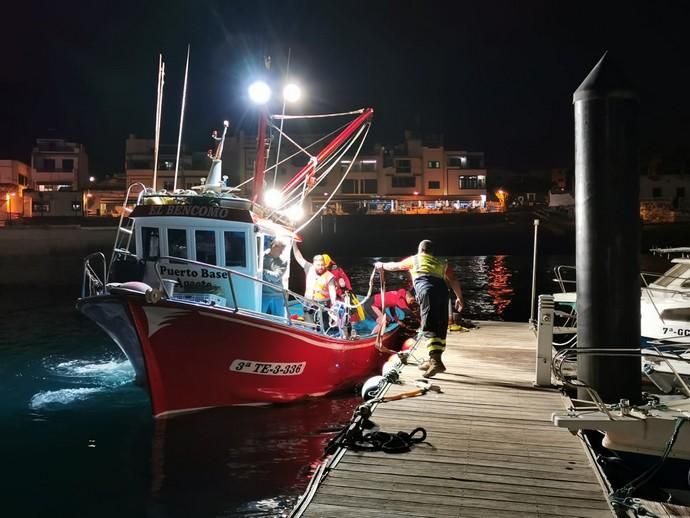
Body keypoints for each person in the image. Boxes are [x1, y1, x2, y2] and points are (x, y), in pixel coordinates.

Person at [375, 239, 464, 378]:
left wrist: (381, 265)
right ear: (432, 252)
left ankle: (436, 361)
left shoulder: (415, 260)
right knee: (440, 325)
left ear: (420, 250)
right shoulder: (442, 263)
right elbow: (453, 279)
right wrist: (459, 298)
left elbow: (395, 266)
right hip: (443, 293)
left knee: (428, 325)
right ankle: (433, 359)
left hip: (427, 292)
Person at [292, 242, 338, 331]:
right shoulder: (308, 267)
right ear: (313, 264)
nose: (320, 267)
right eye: (318, 265)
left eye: (322, 265)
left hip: (323, 304)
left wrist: (334, 304)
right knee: (309, 326)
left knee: (324, 326)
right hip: (308, 302)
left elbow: (332, 292)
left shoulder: (329, 276)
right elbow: (298, 257)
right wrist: (294, 244)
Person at [261, 237, 288, 316]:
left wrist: (262, 271)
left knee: (279, 321)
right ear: (274, 246)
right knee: (260, 319)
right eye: (280, 250)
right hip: (263, 294)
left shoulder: (283, 262)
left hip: (277, 295)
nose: (281, 253)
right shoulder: (260, 257)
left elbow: (276, 277)